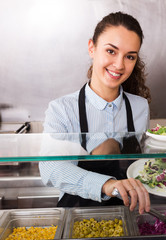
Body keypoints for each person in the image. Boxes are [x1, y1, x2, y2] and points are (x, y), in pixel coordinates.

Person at [39, 11, 151, 214]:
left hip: (128, 211)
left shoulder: (140, 107)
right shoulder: (62, 109)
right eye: (111, 51)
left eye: (130, 56)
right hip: (77, 213)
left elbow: (141, 165)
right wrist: (107, 185)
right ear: (92, 47)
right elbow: (50, 169)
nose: (119, 65)